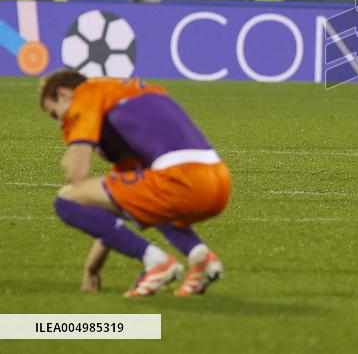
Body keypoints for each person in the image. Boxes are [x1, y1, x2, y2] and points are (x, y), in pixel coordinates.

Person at [40, 69, 231, 297]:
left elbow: (76, 173)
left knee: (66, 201)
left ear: (63, 94)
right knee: (144, 199)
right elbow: (117, 205)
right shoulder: (131, 95)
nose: (61, 123)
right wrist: (93, 267)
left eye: (55, 114)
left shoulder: (87, 92)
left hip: (181, 180)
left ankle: (157, 262)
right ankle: (200, 258)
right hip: (217, 182)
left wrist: (69, 157)